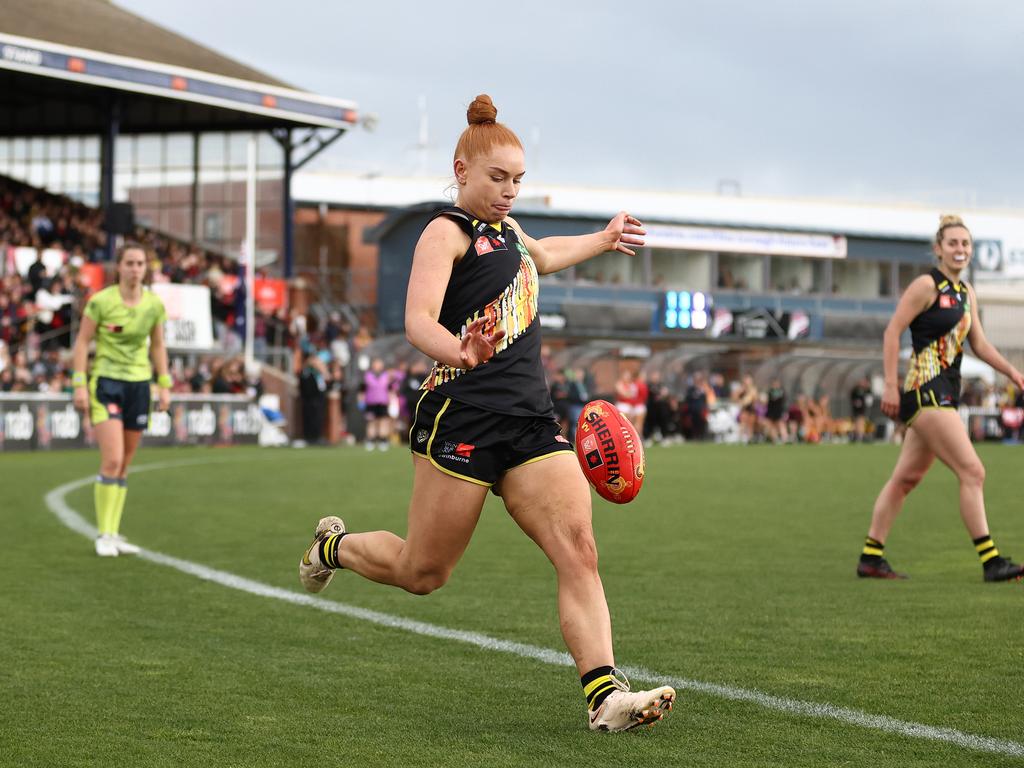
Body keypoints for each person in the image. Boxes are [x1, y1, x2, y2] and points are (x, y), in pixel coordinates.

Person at [298, 94, 675, 731]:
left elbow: (545, 255)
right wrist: (460, 350)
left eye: (518, 181)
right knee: (423, 572)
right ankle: (331, 548)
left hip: (531, 421)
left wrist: (606, 239)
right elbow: (417, 321)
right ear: (462, 170)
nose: (508, 192)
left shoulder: (510, 233)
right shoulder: (444, 233)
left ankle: (605, 696)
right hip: (461, 416)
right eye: (497, 179)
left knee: (579, 549)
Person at [857, 215, 1024, 582]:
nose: (960, 249)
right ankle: (991, 560)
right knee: (973, 471)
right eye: (952, 243)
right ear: (938, 249)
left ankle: (871, 557)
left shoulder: (966, 294)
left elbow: (978, 344)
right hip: (925, 392)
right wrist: (889, 384)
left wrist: (1013, 373)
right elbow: (892, 332)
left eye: (965, 244)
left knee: (905, 479)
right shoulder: (926, 285)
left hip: (944, 395)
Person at [70, 243, 170, 557]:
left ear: (146, 268)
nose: (135, 268)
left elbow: (157, 346)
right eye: (129, 262)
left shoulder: (153, 304)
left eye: (140, 263)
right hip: (107, 383)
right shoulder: (101, 301)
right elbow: (82, 342)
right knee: (111, 460)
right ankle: (103, 533)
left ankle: (113, 533)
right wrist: (79, 384)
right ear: (119, 266)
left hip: (140, 385)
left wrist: (164, 383)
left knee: (124, 464)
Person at [850, 377, 871, 442]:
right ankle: (857, 437)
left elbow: (868, 399)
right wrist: (855, 402)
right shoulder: (855, 390)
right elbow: (852, 398)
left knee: (861, 422)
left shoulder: (866, 390)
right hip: (856, 410)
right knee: (857, 423)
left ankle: (860, 437)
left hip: (862, 410)